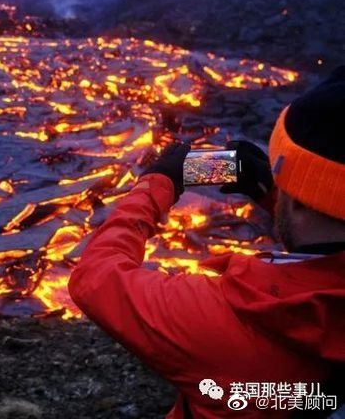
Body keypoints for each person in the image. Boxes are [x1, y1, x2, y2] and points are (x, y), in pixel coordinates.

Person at [69, 68, 345, 418]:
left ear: (302, 198)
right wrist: (276, 198)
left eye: (283, 175)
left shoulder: (232, 318)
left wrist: (158, 184)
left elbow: (95, 276)